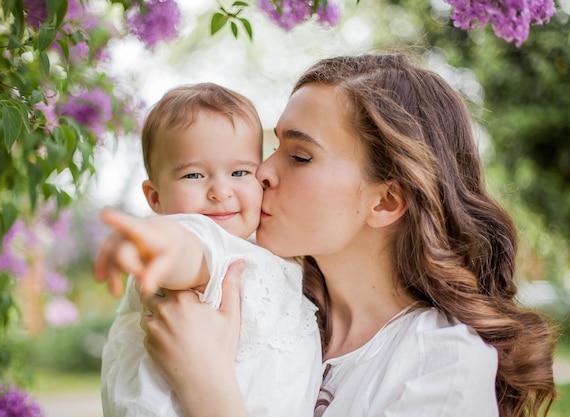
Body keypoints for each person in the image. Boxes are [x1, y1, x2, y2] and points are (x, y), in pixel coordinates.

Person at [98, 53, 558, 417]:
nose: (260, 173)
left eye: (299, 157)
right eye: (273, 147)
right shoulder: (280, 302)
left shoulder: (440, 363)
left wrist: (206, 386)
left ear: (384, 201)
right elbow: (190, 243)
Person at [96, 83, 322, 417]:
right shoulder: (204, 238)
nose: (219, 190)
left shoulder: (269, 250)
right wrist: (148, 242)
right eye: (194, 175)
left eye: (240, 172)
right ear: (155, 198)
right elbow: (188, 251)